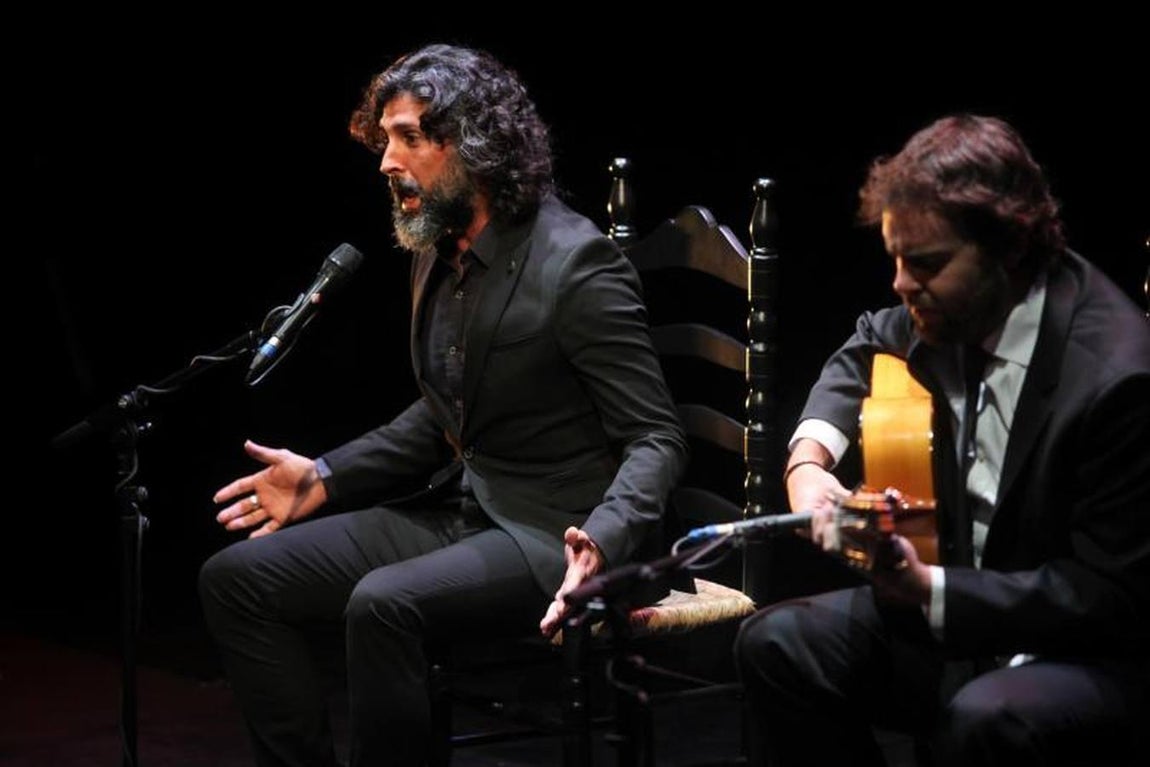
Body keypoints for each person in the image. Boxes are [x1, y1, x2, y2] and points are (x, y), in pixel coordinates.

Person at [198, 43, 686, 767]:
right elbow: (445, 411)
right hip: (467, 511)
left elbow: (656, 435)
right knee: (239, 580)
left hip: (554, 532)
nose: (386, 162)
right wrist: (325, 475)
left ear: (475, 148)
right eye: (385, 138)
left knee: (382, 603)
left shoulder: (574, 264)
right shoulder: (437, 248)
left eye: (409, 138)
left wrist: (604, 538)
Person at [735, 115, 1150, 766]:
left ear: (1009, 251)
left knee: (985, 718)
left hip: (1079, 652)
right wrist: (809, 465)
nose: (902, 284)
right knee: (777, 642)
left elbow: (1109, 597)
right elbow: (867, 343)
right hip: (954, 615)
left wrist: (931, 589)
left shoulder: (1117, 379)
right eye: (895, 259)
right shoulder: (948, 308)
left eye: (924, 264)